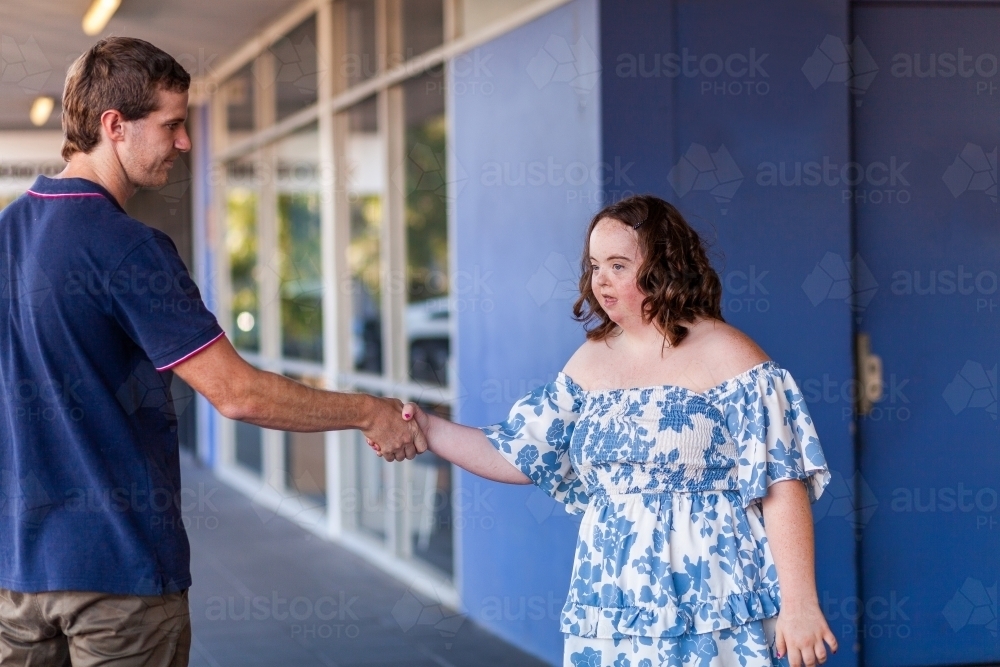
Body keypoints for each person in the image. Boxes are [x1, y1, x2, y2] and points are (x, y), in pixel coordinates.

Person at [0, 37, 424, 667]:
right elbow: (237, 393)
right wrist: (369, 410)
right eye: (171, 125)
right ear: (113, 126)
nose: (185, 143)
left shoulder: (7, 232)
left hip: (16, 577)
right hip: (119, 579)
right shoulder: (128, 247)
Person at [381, 195, 837, 667]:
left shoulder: (729, 354)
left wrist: (800, 602)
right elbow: (516, 451)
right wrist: (427, 427)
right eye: (595, 265)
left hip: (710, 593)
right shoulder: (591, 360)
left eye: (618, 265)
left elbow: (782, 482)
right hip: (610, 594)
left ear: (666, 266)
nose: (600, 280)